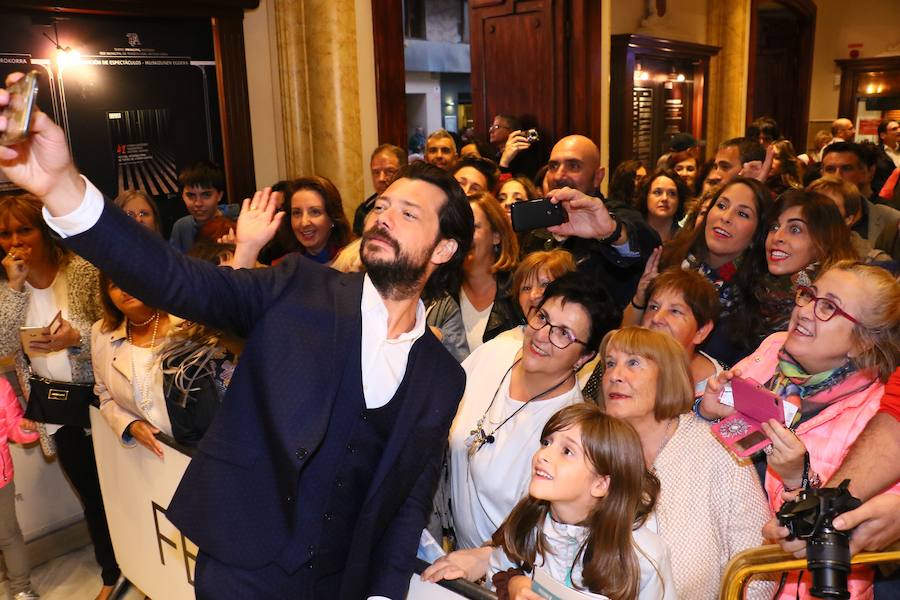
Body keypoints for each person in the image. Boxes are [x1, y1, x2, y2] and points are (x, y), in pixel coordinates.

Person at [0, 79, 475, 599]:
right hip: (243, 567)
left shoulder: (442, 376)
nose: (383, 218)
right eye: (382, 206)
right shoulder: (298, 287)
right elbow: (176, 280)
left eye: (408, 214)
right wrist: (63, 187)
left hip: (342, 583)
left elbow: (407, 501)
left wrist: (384, 592)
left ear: (445, 249)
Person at [699, 261, 900, 600]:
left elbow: (848, 540)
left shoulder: (873, 419)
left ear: (863, 342)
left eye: (828, 307)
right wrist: (707, 410)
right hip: (712, 545)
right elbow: (718, 444)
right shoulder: (771, 350)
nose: (804, 310)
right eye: (809, 295)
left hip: (782, 581)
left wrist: (798, 479)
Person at [429, 273, 620, 556]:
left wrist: (486, 559)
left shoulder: (570, 430)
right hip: (446, 544)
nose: (542, 335)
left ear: (584, 358)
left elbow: (546, 536)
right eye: (543, 317)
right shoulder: (495, 354)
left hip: (499, 569)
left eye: (564, 333)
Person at [426, 404, 676, 600]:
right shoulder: (529, 519)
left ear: (600, 484)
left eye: (567, 451)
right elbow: (497, 571)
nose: (543, 455)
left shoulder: (643, 557)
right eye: (547, 443)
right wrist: (514, 584)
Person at [0, 194, 120, 600]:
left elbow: (113, 329)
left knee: (124, 487)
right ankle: (112, 571)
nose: (15, 241)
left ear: (45, 230)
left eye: (24, 229)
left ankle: (140, 561)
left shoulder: (82, 271)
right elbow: (2, 343)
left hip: (102, 399)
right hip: (57, 409)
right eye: (5, 233)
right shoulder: (8, 289)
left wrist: (77, 338)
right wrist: (14, 287)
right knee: (92, 494)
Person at [600, 327, 771, 600]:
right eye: (610, 364)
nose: (614, 376)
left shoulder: (718, 451)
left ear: (667, 377)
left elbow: (757, 570)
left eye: (633, 363)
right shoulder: (592, 448)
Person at [93, 274, 236, 450]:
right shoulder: (101, 333)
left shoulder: (188, 324)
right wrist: (129, 424)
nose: (124, 290)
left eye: (129, 278)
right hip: (147, 456)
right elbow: (104, 394)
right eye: (115, 285)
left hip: (200, 449)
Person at [521, 135, 661, 309]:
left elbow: (646, 242)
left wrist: (611, 232)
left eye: (573, 166)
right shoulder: (538, 228)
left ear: (598, 176)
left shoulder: (614, 216)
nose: (559, 175)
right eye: (553, 166)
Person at [659, 177, 773, 365]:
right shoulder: (669, 259)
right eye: (721, 205)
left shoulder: (756, 300)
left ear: (757, 235)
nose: (726, 217)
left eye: (742, 214)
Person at [427, 192, 519, 361]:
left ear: (496, 236)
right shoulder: (437, 292)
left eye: (473, 227)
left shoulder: (519, 293)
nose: (463, 236)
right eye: (459, 229)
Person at [0, 378, 39, 600]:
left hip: (0, 479)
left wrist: (28, 428)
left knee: (7, 535)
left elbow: (14, 426)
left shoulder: (1, 387)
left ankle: (21, 589)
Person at [275, 176, 354, 265]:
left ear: (332, 217)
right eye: (297, 213)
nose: (304, 222)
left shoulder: (353, 264)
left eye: (315, 212)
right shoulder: (284, 267)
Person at [169, 161, 238, 252]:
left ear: (219, 195)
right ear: (182, 196)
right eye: (190, 195)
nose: (198, 203)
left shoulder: (237, 224)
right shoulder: (181, 227)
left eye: (206, 195)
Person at [353, 144, 407, 235]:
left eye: (389, 171)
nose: (381, 178)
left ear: (404, 171)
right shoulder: (364, 210)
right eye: (376, 172)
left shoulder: (416, 209)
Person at [634, 168, 691, 242]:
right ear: (645, 196)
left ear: (679, 200)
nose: (665, 198)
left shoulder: (687, 239)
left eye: (672, 194)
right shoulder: (631, 235)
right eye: (657, 192)